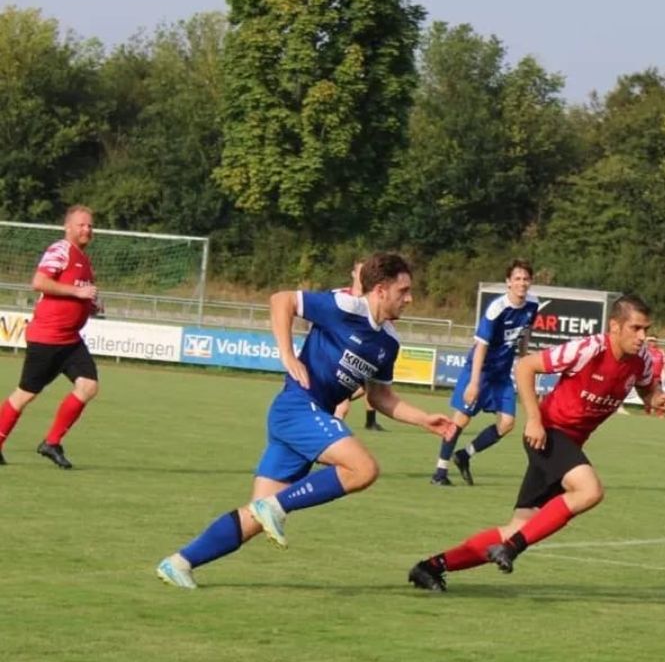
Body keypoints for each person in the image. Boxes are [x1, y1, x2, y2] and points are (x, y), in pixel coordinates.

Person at [155, 252, 455, 589]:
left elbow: (380, 397)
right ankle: (277, 507)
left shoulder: (389, 342)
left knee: (255, 516)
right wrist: (286, 353)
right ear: (381, 290)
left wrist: (422, 419)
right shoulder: (343, 307)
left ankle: (179, 563)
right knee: (363, 469)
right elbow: (281, 300)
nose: (410, 298)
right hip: (297, 408)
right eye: (404, 291)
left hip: (308, 419)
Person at [407, 294, 665, 591]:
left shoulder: (643, 360)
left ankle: (430, 567)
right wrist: (533, 419)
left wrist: (658, 398)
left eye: (646, 329)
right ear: (615, 326)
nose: (642, 336)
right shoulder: (588, 349)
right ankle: (511, 549)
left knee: (518, 526)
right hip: (547, 433)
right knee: (589, 490)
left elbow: (649, 390)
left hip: (570, 443)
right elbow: (525, 366)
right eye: (636, 328)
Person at [0, 205, 101, 470]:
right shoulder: (61, 250)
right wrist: (78, 294)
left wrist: (90, 306)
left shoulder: (84, 260)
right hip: (47, 338)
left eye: (90, 225)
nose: (87, 229)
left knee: (88, 385)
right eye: (81, 225)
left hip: (70, 340)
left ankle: (52, 442)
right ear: (68, 227)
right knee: (25, 394)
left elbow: (75, 294)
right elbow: (39, 281)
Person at [431, 260, 539, 486]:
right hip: (480, 371)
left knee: (507, 423)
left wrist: (524, 357)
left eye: (526, 278)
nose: (522, 283)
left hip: (501, 375)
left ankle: (464, 455)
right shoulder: (497, 309)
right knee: (460, 420)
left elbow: (525, 331)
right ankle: (439, 473)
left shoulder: (532, 304)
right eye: (517, 278)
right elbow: (481, 346)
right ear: (508, 282)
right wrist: (473, 383)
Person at [332, 260, 385, 431]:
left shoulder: (374, 302)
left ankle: (368, 421)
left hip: (360, 355)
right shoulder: (339, 297)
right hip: (335, 357)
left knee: (368, 388)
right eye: (360, 272)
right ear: (353, 274)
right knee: (342, 407)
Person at [645, 335, 665, 418]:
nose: (652, 342)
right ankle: (648, 412)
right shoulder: (645, 351)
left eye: (654, 341)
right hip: (647, 378)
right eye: (650, 340)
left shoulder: (661, 352)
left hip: (657, 378)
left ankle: (660, 413)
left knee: (659, 395)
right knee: (647, 396)